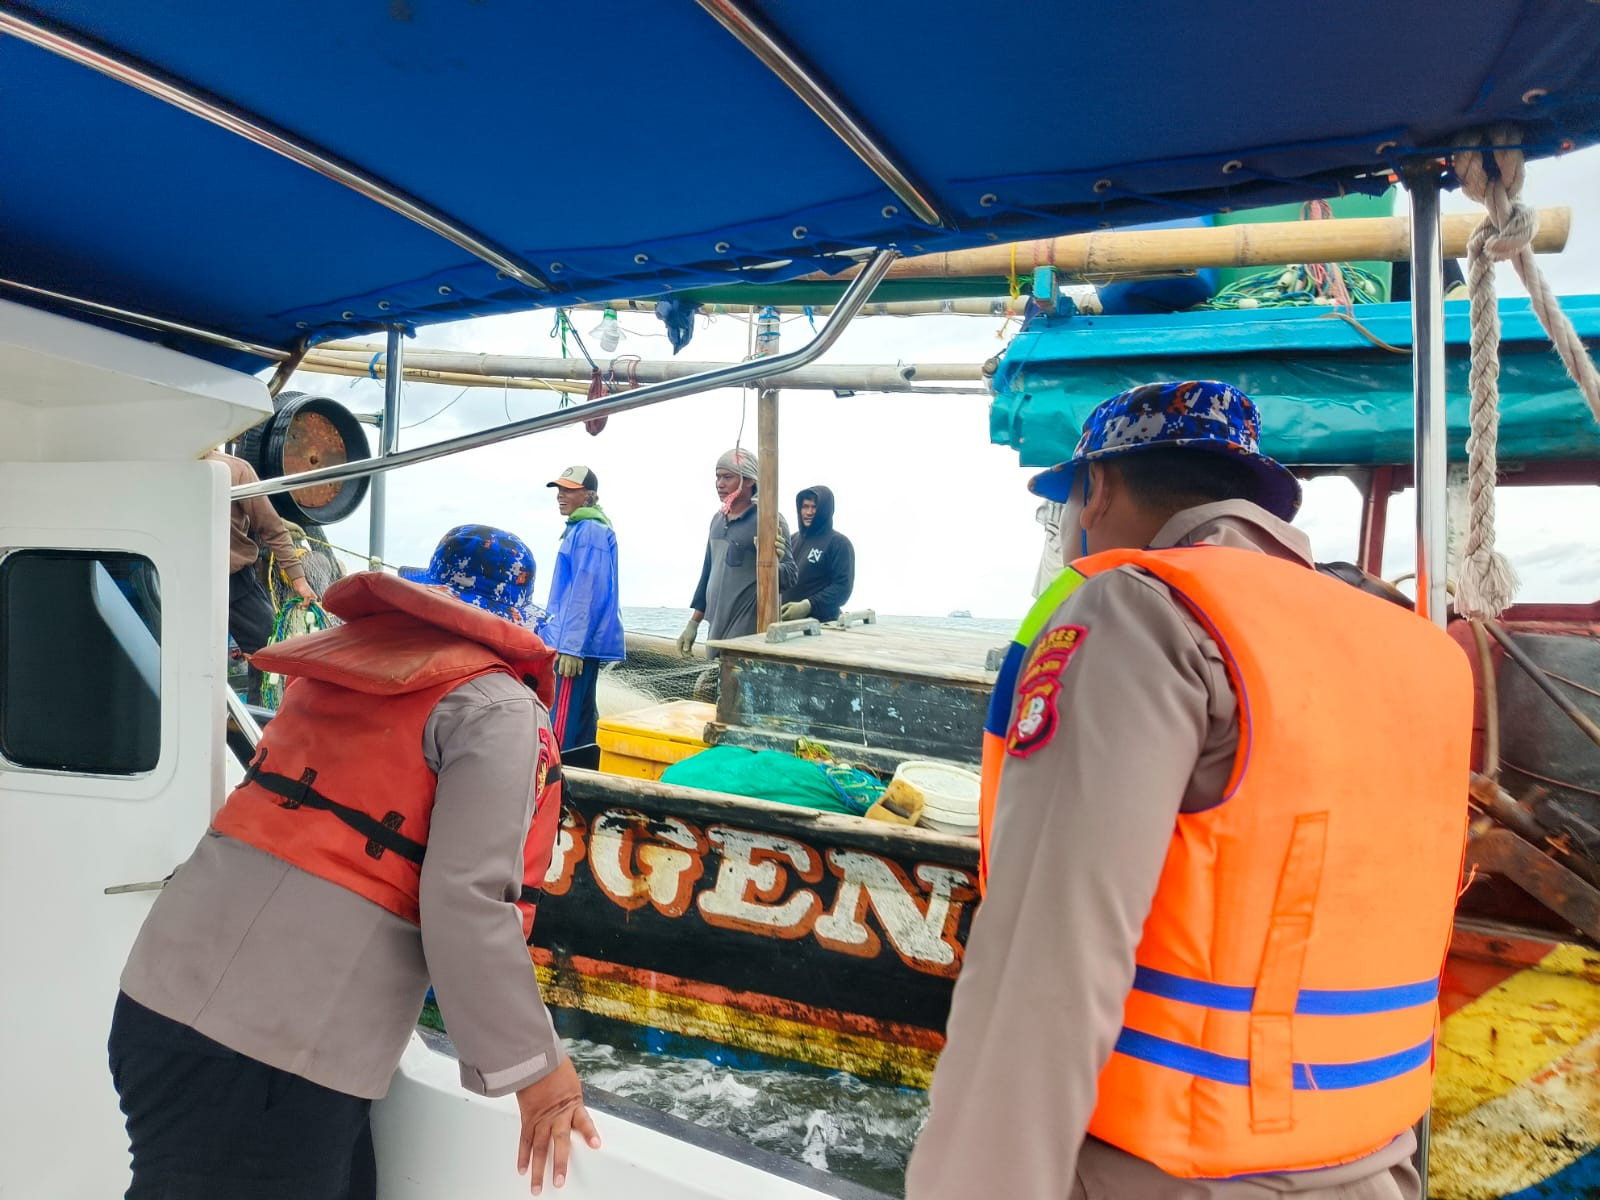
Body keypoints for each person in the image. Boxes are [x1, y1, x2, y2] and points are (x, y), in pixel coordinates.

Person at [906, 381, 1472, 1200]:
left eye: (1062, 506)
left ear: (1096, 488)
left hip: (1168, 1174)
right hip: (1374, 1165)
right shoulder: (1420, 653)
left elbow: (1051, 958)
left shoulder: (1145, 610)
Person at [110, 525, 599, 1200]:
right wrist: (537, 1071)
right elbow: (464, 902)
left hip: (157, 998)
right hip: (268, 1056)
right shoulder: (496, 708)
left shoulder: (347, 658)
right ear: (515, 613)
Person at [207, 448, 316, 704]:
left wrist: (298, 579)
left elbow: (273, 529)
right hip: (191, 582)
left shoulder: (235, 470)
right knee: (269, 649)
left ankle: (257, 724)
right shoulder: (234, 468)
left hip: (229, 581)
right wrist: (299, 581)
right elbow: (274, 530)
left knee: (267, 647)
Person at [677, 448, 797, 655]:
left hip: (750, 635)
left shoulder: (768, 519)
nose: (719, 483)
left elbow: (790, 576)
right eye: (717, 477)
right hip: (717, 632)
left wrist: (772, 562)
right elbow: (708, 573)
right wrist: (694, 623)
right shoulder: (717, 520)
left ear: (749, 481)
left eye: (728, 477)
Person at [543, 465, 625, 768]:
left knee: (561, 725)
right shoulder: (584, 527)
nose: (561, 496)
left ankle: (556, 783)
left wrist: (572, 647)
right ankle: (586, 779)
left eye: (569, 490)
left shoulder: (589, 530)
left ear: (589, 495)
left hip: (573, 646)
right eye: (559, 490)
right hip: (576, 641)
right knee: (582, 720)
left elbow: (586, 589)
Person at [779, 485, 855, 623]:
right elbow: (782, 578)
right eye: (805, 506)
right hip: (784, 624)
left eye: (814, 507)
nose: (809, 512)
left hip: (821, 628)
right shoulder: (791, 539)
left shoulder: (839, 544)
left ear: (825, 510)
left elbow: (842, 589)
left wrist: (808, 605)